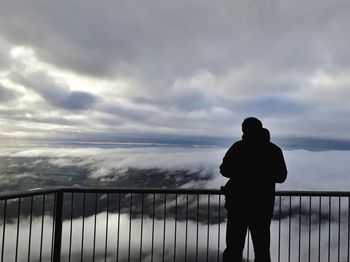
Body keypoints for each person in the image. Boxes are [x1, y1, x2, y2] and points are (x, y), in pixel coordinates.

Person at [220, 117, 287, 262]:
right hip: (262, 207)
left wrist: (241, 173)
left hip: (237, 205)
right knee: (262, 250)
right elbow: (281, 177)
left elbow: (224, 170)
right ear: (261, 128)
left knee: (233, 248)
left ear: (244, 129)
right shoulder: (274, 150)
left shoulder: (238, 147)